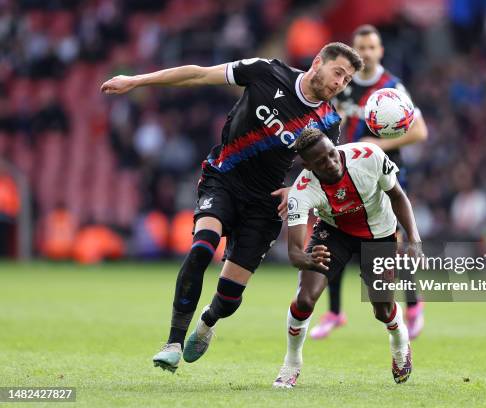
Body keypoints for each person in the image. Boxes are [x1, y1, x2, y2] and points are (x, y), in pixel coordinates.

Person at [100, 43, 363, 373]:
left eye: (347, 79)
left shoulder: (328, 123)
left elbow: (322, 173)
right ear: (317, 63)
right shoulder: (267, 72)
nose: (340, 83)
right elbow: (198, 75)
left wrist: (295, 188)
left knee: (229, 298)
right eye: (338, 73)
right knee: (200, 250)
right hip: (223, 179)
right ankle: (173, 343)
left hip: (265, 207)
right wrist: (136, 81)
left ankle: (207, 323)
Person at [273, 128, 422, 388]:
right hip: (335, 233)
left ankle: (399, 340)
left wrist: (414, 239)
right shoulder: (302, 190)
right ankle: (291, 363)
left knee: (383, 310)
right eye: (320, 162)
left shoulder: (368, 156)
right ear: (307, 166)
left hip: (380, 233)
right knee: (305, 299)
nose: (331, 163)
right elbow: (295, 253)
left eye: (332, 154)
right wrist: (309, 260)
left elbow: (398, 195)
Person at [311, 24, 429, 340]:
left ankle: (414, 305)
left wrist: (375, 146)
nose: (365, 53)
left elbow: (419, 132)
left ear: (380, 51)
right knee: (334, 231)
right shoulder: (343, 85)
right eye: (360, 47)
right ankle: (335, 312)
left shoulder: (392, 87)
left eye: (371, 47)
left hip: (384, 172)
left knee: (396, 240)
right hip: (346, 171)